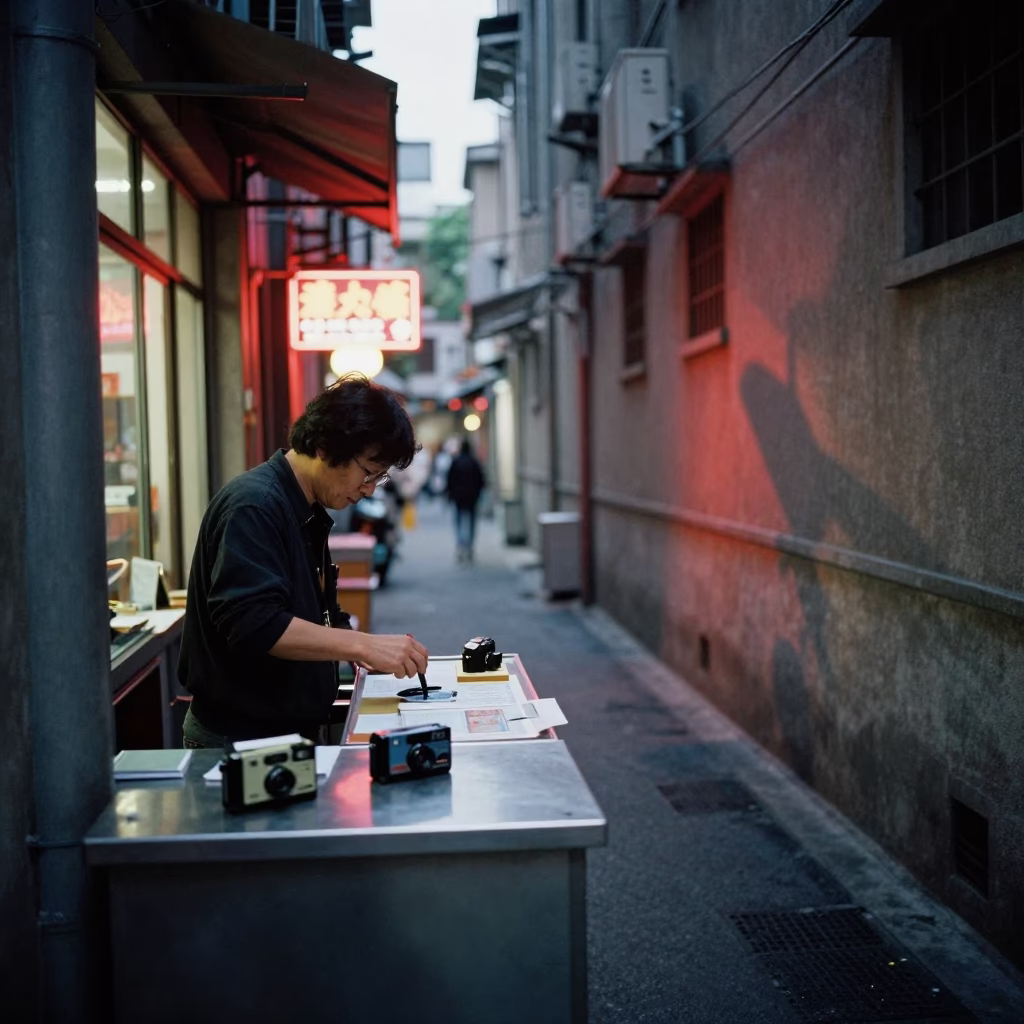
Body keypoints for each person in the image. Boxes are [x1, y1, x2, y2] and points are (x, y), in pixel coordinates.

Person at [178, 373, 429, 749]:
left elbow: (318, 613)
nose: (368, 489)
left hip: (280, 731)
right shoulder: (255, 505)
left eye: (379, 479)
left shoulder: (303, 506)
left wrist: (368, 647)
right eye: (368, 473)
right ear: (326, 448)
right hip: (240, 739)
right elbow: (256, 623)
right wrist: (361, 646)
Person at [445, 438, 486, 563]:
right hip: (472, 497)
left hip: (458, 497)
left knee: (458, 521)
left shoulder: (456, 462)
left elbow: (450, 480)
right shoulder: (474, 462)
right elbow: (481, 480)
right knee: (472, 522)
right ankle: (469, 546)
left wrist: (450, 495)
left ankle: (461, 546)